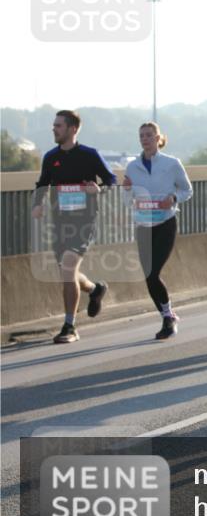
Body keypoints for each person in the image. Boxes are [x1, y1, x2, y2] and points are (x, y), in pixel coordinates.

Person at [31, 110, 116, 343]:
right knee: (68, 273)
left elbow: (111, 180)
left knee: (68, 267)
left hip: (83, 223)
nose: (54, 129)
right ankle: (95, 289)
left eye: (58, 125)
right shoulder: (50, 157)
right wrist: (37, 205)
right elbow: (42, 184)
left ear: (72, 129)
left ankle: (69, 326)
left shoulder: (89, 155)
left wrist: (99, 189)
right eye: (54, 125)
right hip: (59, 223)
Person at [122, 121, 193, 340]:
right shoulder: (132, 167)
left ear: (158, 138)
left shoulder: (172, 163)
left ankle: (168, 317)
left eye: (149, 135)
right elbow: (127, 200)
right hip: (143, 225)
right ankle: (167, 315)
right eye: (142, 135)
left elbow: (187, 190)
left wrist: (172, 198)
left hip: (165, 223)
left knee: (153, 273)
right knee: (148, 276)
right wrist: (127, 193)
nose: (145, 139)